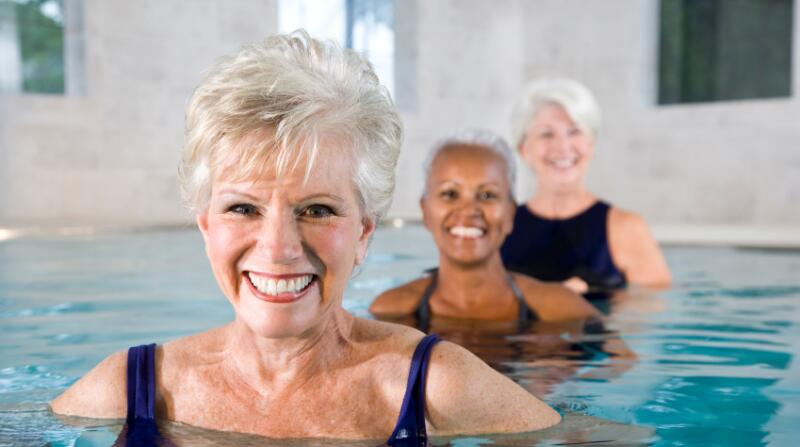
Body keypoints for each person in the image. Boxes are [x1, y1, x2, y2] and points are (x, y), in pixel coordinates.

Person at [49, 31, 561, 444]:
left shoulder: (433, 387)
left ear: (364, 232)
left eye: (317, 209)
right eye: (243, 208)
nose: (277, 248)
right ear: (207, 226)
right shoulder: (127, 390)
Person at [370, 129, 600, 329]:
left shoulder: (562, 310)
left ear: (511, 213)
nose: (469, 210)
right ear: (425, 211)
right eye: (450, 194)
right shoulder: (392, 312)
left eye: (487, 195)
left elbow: (616, 368)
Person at [501, 78, 671, 294]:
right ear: (524, 149)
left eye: (575, 132)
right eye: (546, 134)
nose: (562, 147)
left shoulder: (628, 229)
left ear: (591, 143)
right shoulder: (502, 226)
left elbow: (651, 314)